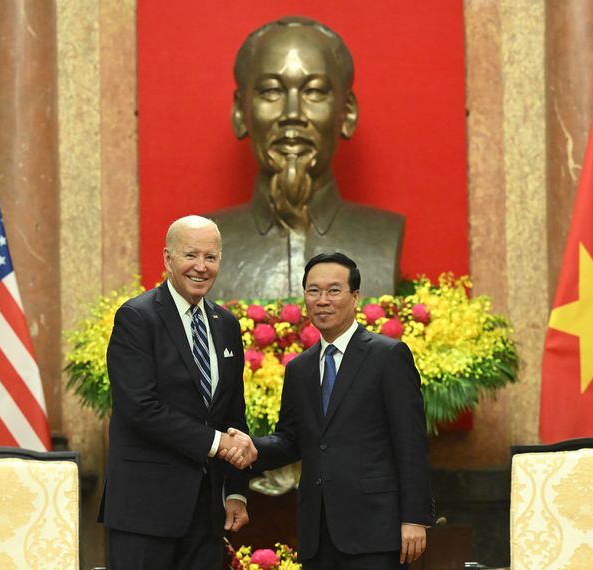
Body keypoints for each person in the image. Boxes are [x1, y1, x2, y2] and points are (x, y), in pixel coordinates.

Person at [225, 252, 436, 569]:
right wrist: (252, 448)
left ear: (355, 297)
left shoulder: (388, 356)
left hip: (377, 532)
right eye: (314, 291)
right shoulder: (300, 368)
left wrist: (415, 518)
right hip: (318, 535)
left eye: (334, 290)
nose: (322, 300)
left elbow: (411, 442)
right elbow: (290, 440)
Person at [99, 215, 258, 569]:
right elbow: (140, 408)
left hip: (206, 514)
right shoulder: (137, 318)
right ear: (168, 259)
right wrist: (218, 443)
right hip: (145, 512)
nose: (201, 267)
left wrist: (236, 491)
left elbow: (233, 412)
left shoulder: (226, 324)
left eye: (210, 257)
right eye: (191, 255)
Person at [208, 17, 405, 300]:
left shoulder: (383, 236)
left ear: (347, 112)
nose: (292, 114)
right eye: (271, 91)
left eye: (314, 91)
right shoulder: (202, 246)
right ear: (240, 112)